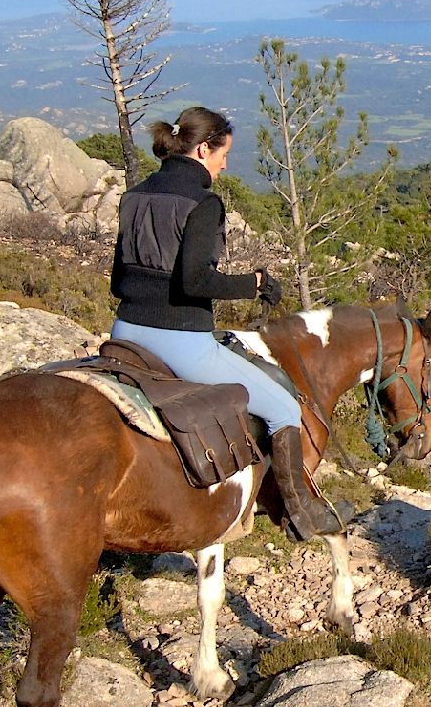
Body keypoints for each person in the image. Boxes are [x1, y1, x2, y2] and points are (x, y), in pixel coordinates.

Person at [108, 106, 338, 538]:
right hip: (180, 341)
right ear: (200, 149)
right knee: (285, 408)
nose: (225, 163)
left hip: (124, 333)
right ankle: (300, 511)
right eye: (222, 154)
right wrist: (255, 284)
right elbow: (196, 282)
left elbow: (118, 278)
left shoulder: (134, 195)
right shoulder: (203, 203)